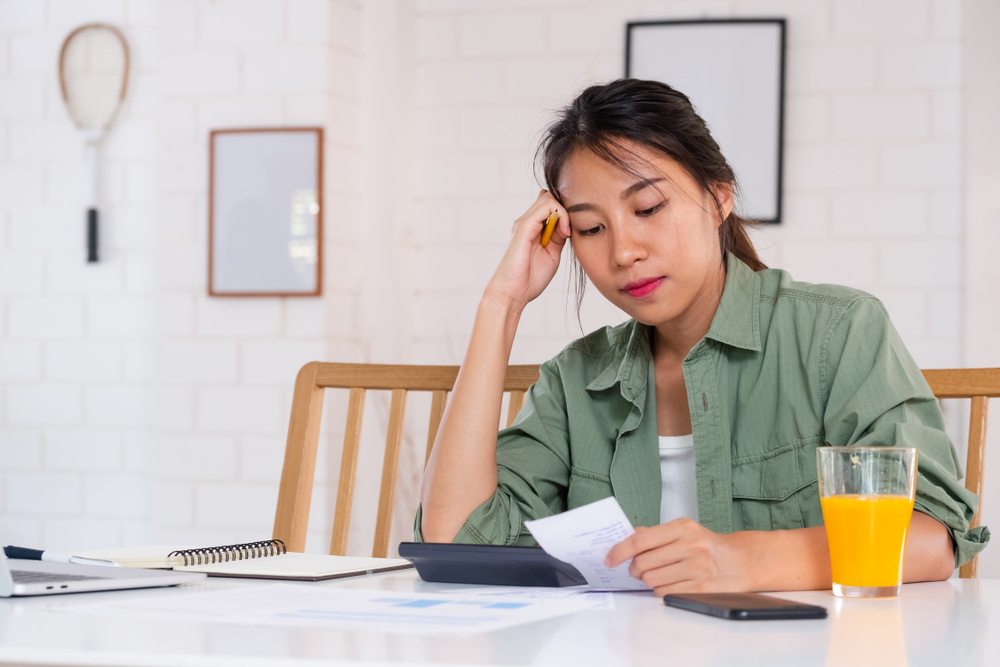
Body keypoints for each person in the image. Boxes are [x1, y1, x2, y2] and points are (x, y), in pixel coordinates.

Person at [415, 79, 988, 594]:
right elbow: (455, 541)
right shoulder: (577, 379)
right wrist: (502, 305)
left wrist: (741, 561)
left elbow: (933, 538)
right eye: (591, 228)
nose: (623, 251)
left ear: (718, 198)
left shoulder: (836, 331)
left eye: (648, 207)